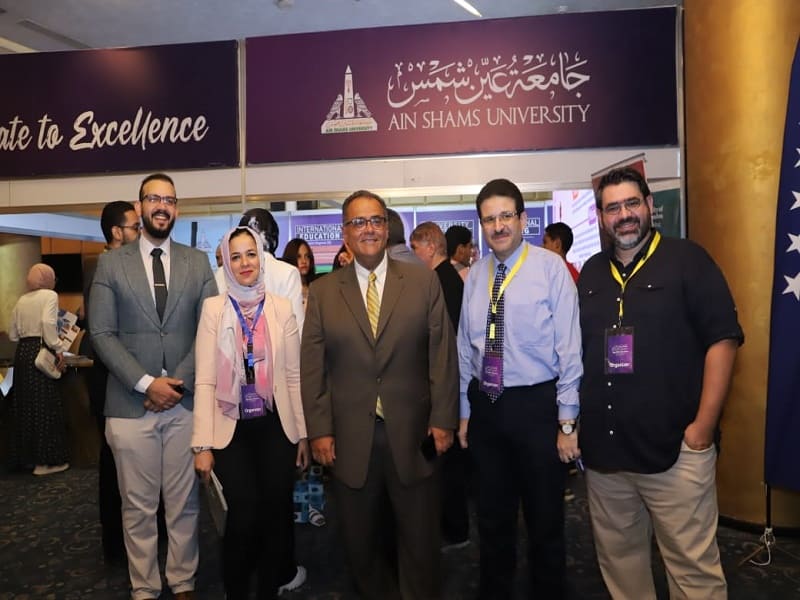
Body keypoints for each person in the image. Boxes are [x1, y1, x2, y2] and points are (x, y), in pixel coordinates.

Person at [578, 167, 743, 600]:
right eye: (613, 207)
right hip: (606, 460)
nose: (625, 215)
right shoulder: (591, 275)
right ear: (600, 216)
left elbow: (723, 341)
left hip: (675, 454)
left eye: (632, 203)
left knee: (693, 573)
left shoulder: (689, 260)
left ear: (650, 206)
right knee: (621, 569)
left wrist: (702, 430)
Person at [302, 190, 458, 598]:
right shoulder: (322, 292)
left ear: (386, 228)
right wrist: (319, 430)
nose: (368, 229)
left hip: (415, 434)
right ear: (345, 233)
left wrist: (443, 420)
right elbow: (313, 367)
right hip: (350, 440)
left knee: (421, 543)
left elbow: (442, 356)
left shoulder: (423, 282)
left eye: (375, 221)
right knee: (359, 546)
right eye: (358, 222)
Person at [89, 172, 217, 600]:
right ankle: (144, 587)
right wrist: (147, 383)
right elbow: (102, 333)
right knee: (138, 508)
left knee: (184, 505)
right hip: (129, 406)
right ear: (140, 206)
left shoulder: (198, 263)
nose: (162, 206)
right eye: (153, 199)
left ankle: (182, 582)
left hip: (183, 405)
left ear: (177, 208)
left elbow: (210, 328)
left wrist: (173, 384)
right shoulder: (111, 263)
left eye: (170, 199)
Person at [457, 178, 582, 598]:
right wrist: (464, 410)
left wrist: (567, 422)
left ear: (523, 219)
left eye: (505, 216)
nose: (498, 226)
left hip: (537, 407)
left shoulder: (551, 270)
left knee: (545, 520)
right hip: (487, 406)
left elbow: (570, 349)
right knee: (492, 519)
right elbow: (464, 347)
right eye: (489, 218)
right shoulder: (475, 276)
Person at [193, 226, 309, 599]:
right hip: (232, 429)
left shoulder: (281, 306)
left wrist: (303, 433)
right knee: (242, 515)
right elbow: (205, 380)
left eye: (251, 254)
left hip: (276, 426)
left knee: (276, 514)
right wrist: (201, 445)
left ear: (262, 257)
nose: (245, 263)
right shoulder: (213, 308)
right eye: (236, 256)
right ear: (226, 261)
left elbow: (293, 376)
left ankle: (269, 591)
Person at [82, 200, 140, 565]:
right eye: (135, 227)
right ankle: (116, 546)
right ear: (117, 232)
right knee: (113, 463)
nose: (139, 232)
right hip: (110, 381)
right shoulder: (101, 267)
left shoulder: (130, 266)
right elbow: (104, 334)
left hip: (131, 380)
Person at [409, 221, 470, 550]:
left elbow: (443, 344)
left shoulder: (440, 283)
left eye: (416, 248)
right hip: (454, 383)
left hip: (449, 384)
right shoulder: (448, 280)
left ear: (430, 246)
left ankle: (454, 530)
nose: (413, 254)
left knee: (447, 464)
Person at [8, 263, 70, 475]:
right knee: (45, 405)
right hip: (39, 351)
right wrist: (58, 348)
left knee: (26, 406)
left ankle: (28, 458)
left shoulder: (22, 299)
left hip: (22, 353)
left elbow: (12, 334)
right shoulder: (50, 295)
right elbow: (47, 322)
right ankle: (47, 462)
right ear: (48, 278)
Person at [215, 209, 305, 339]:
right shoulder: (288, 273)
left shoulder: (220, 273)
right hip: (278, 356)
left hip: (228, 356)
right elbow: (297, 333)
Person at [281, 238, 317, 308]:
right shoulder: (284, 290)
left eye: (307, 256)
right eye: (299, 257)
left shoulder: (316, 288)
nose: (304, 261)